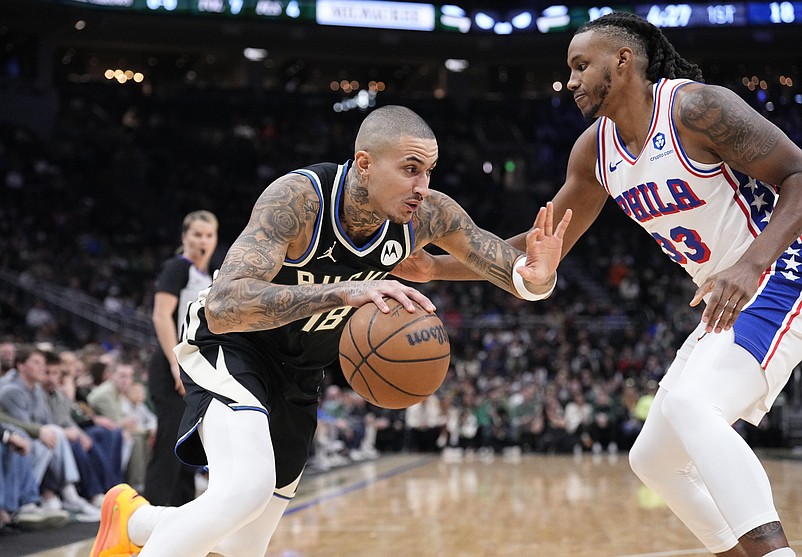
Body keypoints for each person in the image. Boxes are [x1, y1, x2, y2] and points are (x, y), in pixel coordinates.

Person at [394, 12, 802, 557]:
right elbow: (541, 245)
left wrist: (752, 263)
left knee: (691, 406)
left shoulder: (696, 107)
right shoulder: (595, 152)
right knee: (652, 459)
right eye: (569, 69)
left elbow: (798, 176)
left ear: (624, 60)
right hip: (729, 291)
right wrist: (439, 268)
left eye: (582, 65)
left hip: (781, 269)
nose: (572, 80)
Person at [89, 104, 571, 557]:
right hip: (233, 348)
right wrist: (344, 292)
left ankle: (133, 522)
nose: (423, 185)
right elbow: (224, 306)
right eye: (410, 169)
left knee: (242, 543)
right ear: (364, 163)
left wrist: (540, 276)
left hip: (300, 371)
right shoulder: (298, 200)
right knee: (244, 489)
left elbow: (510, 270)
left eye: (428, 172)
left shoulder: (427, 215)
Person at [143, 210, 218, 507]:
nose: (203, 241)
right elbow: (161, 315)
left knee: (189, 446)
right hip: (172, 365)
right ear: (185, 237)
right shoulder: (177, 267)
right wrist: (176, 365)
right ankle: (152, 515)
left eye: (209, 235)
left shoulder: (209, 276)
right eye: (197, 234)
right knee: (168, 446)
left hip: (196, 366)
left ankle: (182, 516)